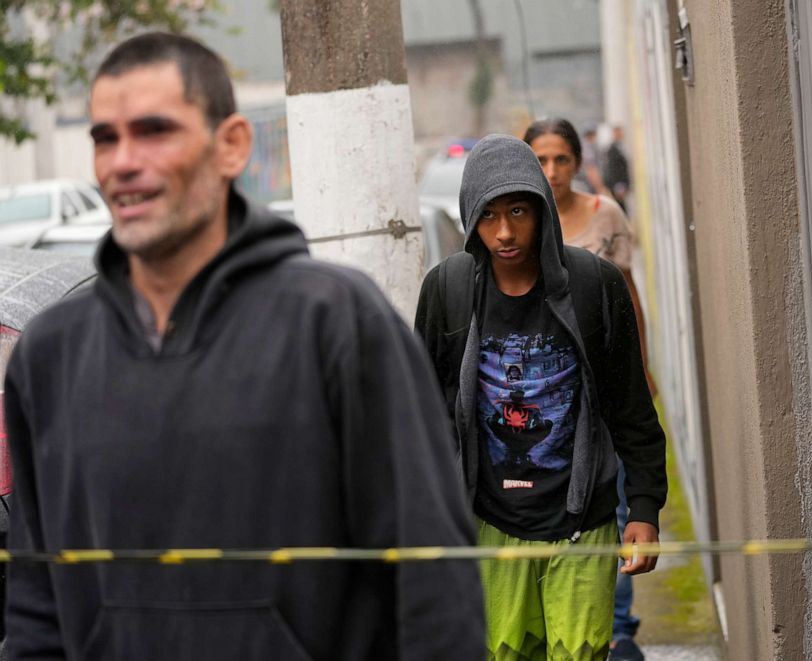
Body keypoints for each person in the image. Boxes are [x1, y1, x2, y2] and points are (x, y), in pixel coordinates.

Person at [2, 32, 485, 660]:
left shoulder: (336, 324)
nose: (122, 161)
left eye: (153, 132)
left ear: (230, 145)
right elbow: (38, 610)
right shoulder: (51, 356)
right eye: (104, 138)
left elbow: (434, 588)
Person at [415, 134, 667, 660]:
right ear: (469, 218)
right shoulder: (448, 289)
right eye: (488, 216)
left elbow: (629, 405)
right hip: (487, 526)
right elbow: (426, 416)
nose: (505, 232)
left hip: (581, 521)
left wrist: (643, 507)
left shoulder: (594, 285)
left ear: (542, 210)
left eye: (518, 211)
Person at [524, 117, 653, 661]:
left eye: (561, 160)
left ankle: (619, 628)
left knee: (615, 510)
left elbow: (627, 296)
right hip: (545, 408)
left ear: (578, 163)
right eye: (540, 160)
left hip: (603, 396)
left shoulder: (605, 217)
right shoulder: (517, 227)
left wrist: (640, 371)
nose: (551, 172)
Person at [602, 125, 631, 213]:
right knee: (621, 210)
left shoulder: (619, 147)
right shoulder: (613, 150)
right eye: (618, 132)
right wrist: (618, 187)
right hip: (618, 186)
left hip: (620, 185)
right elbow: (613, 169)